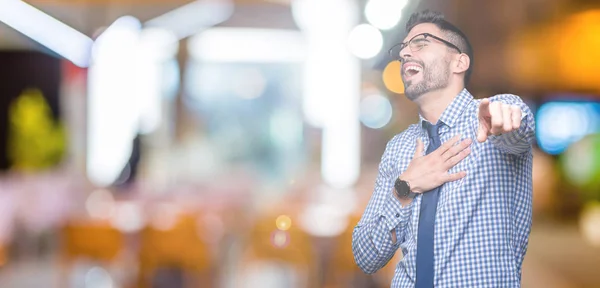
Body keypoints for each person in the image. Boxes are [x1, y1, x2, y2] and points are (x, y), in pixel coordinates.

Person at [352, 10, 535, 288]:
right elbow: (366, 256)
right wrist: (405, 187)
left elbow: (517, 128)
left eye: (420, 43)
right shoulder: (399, 148)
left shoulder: (489, 117)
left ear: (459, 62)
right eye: (402, 48)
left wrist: (505, 118)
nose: (404, 54)